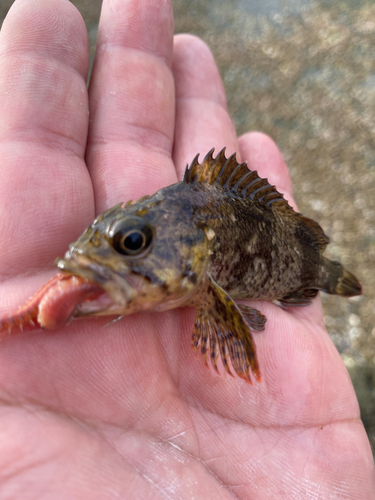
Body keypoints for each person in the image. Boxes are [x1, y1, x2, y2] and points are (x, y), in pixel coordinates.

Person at [0, 0, 373, 497]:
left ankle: (333, 274)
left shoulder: (207, 278)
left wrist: (255, 303)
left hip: (293, 263)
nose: (119, 254)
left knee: (327, 276)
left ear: (195, 249)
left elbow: (229, 329)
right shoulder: (181, 253)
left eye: (133, 243)